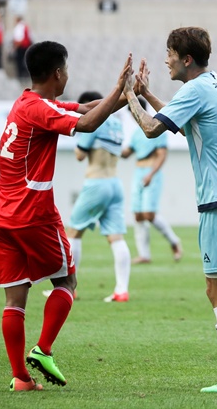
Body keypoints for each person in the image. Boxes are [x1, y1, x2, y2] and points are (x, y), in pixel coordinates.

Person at [123, 27, 217, 393]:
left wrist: (129, 94)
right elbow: (179, 122)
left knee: (216, 290)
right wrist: (146, 93)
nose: (165, 60)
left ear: (186, 58)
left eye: (170, 53)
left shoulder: (194, 90)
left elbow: (149, 129)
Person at [0, 40, 132, 391]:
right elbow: (87, 124)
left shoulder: (28, 103)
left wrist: (127, 96)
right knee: (66, 282)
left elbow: (85, 108)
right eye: (66, 68)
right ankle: (44, 349)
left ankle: (21, 378)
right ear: (57, 73)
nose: (68, 74)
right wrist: (118, 89)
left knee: (15, 299)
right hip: (32, 213)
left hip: (0, 216)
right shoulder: (41, 110)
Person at [44, 91, 132, 303]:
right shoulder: (116, 124)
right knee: (116, 237)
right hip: (115, 182)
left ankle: (69, 288)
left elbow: (80, 154)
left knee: (73, 233)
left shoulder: (96, 123)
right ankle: (122, 290)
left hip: (96, 182)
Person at [121, 96, 182, 264]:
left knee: (149, 214)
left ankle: (174, 241)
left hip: (151, 173)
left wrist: (151, 174)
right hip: (138, 172)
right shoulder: (135, 133)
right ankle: (144, 255)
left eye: (133, 111)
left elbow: (162, 155)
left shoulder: (155, 128)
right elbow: (126, 153)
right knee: (138, 215)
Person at [11, 15, 32, 79]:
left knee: (19, 61)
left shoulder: (19, 27)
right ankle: (25, 74)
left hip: (21, 46)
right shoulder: (26, 26)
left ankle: (20, 74)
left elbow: (20, 39)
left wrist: (15, 47)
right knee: (25, 61)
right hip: (26, 46)